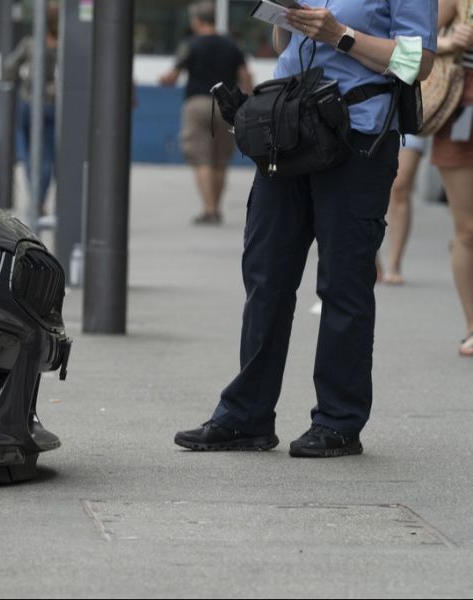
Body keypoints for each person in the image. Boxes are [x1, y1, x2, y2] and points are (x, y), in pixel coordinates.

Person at [174, 1, 437, 457]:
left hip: (358, 136)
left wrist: (340, 34)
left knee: (343, 281)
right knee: (265, 275)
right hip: (289, 126)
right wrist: (288, 17)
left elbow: (418, 63)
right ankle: (246, 416)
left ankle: (338, 421)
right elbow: (286, 43)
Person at [158, 2, 252, 225]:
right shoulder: (232, 45)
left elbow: (171, 76)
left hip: (198, 104)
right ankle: (216, 208)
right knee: (220, 160)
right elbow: (245, 76)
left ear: (196, 21)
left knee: (201, 158)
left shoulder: (190, 44)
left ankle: (209, 209)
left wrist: (163, 80)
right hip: (227, 106)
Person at [433, 0, 473, 356]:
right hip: (463, 114)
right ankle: (472, 326)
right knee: (468, 229)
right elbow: (413, 35)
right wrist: (450, 42)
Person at [2, 4, 59, 217]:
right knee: (47, 156)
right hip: (53, 105)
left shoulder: (30, 43)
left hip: (29, 104)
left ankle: (35, 199)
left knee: (30, 155)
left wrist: (15, 81)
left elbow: (9, 66)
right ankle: (39, 200)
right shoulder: (65, 47)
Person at [381, 134, 426, 285]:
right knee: (362, 189)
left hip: (406, 119)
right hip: (368, 118)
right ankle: (368, 257)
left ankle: (394, 264)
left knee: (400, 186)